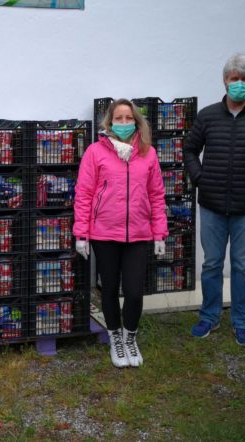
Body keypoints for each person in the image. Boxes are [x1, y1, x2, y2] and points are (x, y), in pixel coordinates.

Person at [184, 52, 245, 347]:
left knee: (242, 266)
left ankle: (242, 321)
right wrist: (200, 178)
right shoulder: (208, 116)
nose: (239, 83)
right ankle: (209, 316)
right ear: (225, 81)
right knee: (212, 264)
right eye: (234, 78)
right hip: (212, 206)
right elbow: (190, 150)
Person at [73, 99, 168, 368]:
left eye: (129, 118)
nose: (124, 123)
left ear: (136, 122)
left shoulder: (148, 153)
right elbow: (84, 194)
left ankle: (130, 337)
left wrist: (159, 233)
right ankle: (115, 336)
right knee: (110, 288)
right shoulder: (95, 152)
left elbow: (156, 194)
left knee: (135, 292)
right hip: (104, 234)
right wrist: (81, 233)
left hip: (138, 233)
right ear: (110, 122)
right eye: (119, 118)